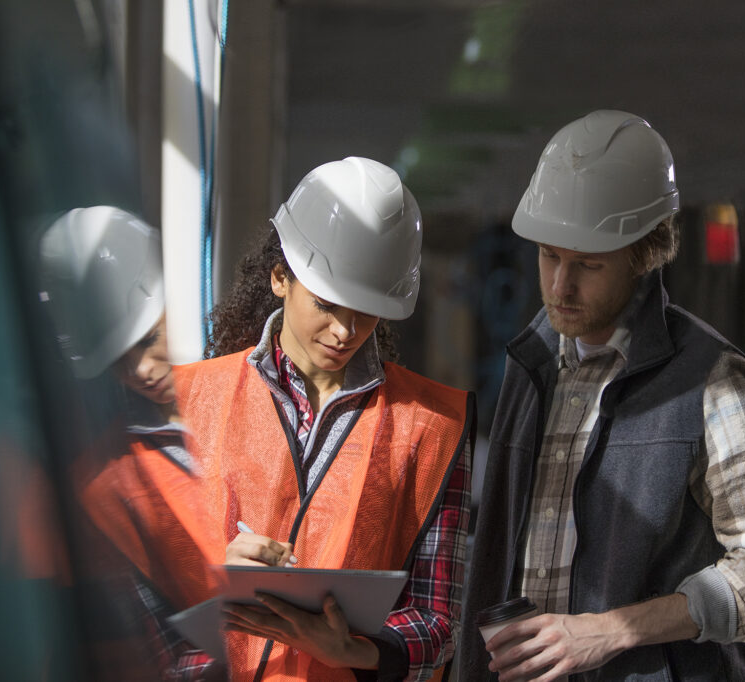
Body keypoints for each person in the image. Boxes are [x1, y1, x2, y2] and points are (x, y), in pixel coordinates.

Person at [458, 110, 745, 681]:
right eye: (550, 255)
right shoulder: (532, 365)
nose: (560, 287)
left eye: (588, 265)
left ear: (645, 253)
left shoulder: (710, 378)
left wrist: (611, 630)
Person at [173, 156, 475, 681]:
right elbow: (126, 593)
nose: (345, 330)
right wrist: (209, 577)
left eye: (365, 309)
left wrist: (356, 650)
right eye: (327, 304)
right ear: (279, 277)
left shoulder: (432, 426)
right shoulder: (188, 400)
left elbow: (439, 621)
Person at [38, 206, 222, 680]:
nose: (139, 370)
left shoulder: (266, 390)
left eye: (149, 338)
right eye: (118, 359)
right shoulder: (104, 484)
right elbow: (156, 647)